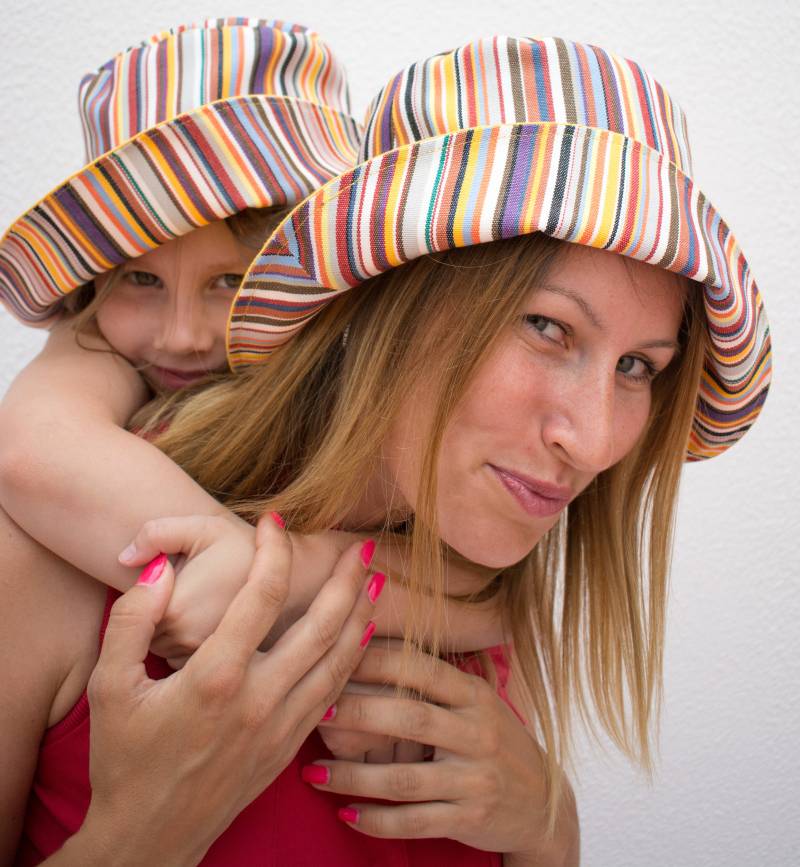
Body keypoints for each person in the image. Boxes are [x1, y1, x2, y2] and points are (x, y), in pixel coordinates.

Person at [3, 32, 771, 866]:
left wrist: (549, 832)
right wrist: (144, 831)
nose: (590, 442)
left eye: (637, 367)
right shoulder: (53, 556)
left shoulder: (478, 561)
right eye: (547, 328)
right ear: (388, 300)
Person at [0, 19, 501, 665]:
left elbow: (480, 586)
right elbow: (28, 449)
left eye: (232, 281)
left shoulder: (375, 408)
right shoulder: (94, 348)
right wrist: (253, 572)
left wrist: (296, 572)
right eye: (141, 279)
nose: (182, 337)